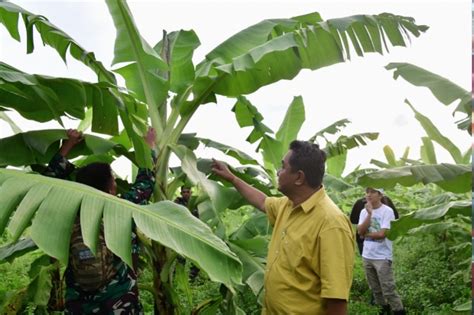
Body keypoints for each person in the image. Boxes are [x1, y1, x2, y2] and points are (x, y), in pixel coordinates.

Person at [212, 140, 354, 315]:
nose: (278, 172)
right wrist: (233, 178)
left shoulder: (331, 224)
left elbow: (337, 299)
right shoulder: (288, 205)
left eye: (283, 167)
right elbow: (262, 201)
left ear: (299, 177)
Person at [44, 128, 156, 315]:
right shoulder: (122, 209)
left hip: (79, 306)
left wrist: (68, 145)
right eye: (113, 180)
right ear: (110, 189)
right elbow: (146, 181)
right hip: (120, 303)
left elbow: (48, 182)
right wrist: (149, 146)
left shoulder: (70, 213)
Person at [357, 187, 405, 315]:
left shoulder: (387, 211)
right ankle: (383, 310)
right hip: (367, 255)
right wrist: (369, 214)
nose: (369, 195)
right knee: (375, 289)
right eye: (367, 192)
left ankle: (398, 311)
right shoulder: (364, 212)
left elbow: (382, 234)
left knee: (388, 289)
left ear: (380, 195)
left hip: (382, 257)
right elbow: (359, 231)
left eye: (372, 192)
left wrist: (365, 234)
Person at [174, 185, 200, 280]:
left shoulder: (196, 203)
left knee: (197, 257)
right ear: (181, 193)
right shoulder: (177, 202)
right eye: (183, 192)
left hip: (194, 233)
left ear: (191, 193)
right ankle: (176, 278)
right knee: (180, 258)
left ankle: (192, 277)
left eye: (187, 192)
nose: (185, 194)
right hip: (182, 233)